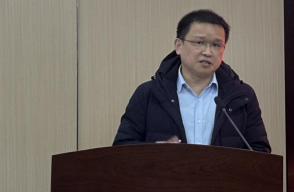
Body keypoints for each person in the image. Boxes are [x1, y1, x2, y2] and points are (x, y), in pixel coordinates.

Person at [113, 9, 271, 153]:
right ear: (178, 46)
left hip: (223, 177)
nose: (207, 52)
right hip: (165, 176)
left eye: (216, 45)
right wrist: (154, 153)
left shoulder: (241, 96)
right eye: (199, 43)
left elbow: (260, 153)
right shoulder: (148, 93)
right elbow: (121, 150)